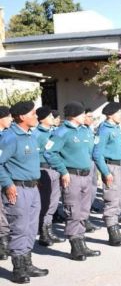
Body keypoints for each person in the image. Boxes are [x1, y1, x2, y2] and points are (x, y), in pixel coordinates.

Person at [44, 101, 101, 261]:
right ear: (74, 116)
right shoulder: (62, 132)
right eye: (83, 114)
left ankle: (82, 242)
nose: (85, 117)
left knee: (84, 210)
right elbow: (50, 153)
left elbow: (91, 151)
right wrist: (62, 170)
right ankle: (75, 245)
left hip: (86, 175)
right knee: (73, 210)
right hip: (71, 176)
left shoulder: (85, 131)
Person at [0, 101, 49, 283]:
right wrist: (7, 183)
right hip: (17, 189)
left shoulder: (30, 136)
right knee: (19, 228)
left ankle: (28, 263)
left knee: (30, 227)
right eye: (33, 113)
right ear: (22, 117)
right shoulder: (9, 138)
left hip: (32, 187)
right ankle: (18, 268)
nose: (36, 116)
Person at [92, 102, 121, 246]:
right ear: (110, 115)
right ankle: (112, 234)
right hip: (111, 168)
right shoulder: (104, 130)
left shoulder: (116, 128)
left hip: (120, 167)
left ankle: (116, 230)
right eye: (119, 113)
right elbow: (97, 154)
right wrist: (105, 172)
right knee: (111, 200)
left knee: (118, 200)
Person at [35, 106, 65, 247]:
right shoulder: (36, 134)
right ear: (43, 119)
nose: (54, 119)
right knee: (44, 203)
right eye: (50, 117)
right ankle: (43, 233)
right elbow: (33, 157)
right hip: (43, 170)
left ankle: (49, 230)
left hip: (54, 170)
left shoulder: (53, 132)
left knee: (53, 203)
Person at [83, 109, 100, 233]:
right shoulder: (80, 130)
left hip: (93, 161)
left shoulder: (90, 130)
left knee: (93, 188)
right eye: (89, 116)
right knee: (85, 192)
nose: (91, 119)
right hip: (85, 162)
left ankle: (87, 215)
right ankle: (84, 218)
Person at [0, 106, 13, 260]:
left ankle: (5, 243)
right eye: (8, 117)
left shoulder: (7, 135)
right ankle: (3, 245)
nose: (11, 119)